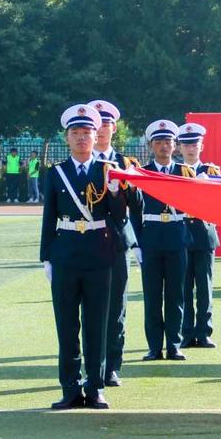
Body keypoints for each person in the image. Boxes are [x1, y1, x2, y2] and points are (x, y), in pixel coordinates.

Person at [40, 104, 126, 410]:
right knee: (66, 326)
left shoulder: (106, 170)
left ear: (95, 136)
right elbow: (49, 216)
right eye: (75, 133)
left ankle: (95, 387)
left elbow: (119, 217)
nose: (81, 138)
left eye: (86, 132)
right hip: (65, 254)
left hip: (98, 255)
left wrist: (115, 192)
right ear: (67, 138)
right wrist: (46, 257)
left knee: (96, 324)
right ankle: (70, 388)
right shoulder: (56, 173)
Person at [129, 120, 192, 361]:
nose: (164, 146)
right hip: (151, 238)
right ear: (151, 145)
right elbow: (135, 211)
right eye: (158, 142)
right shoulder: (142, 173)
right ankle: (154, 347)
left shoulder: (184, 172)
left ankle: (174, 345)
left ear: (175, 145)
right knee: (152, 296)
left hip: (177, 237)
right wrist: (137, 243)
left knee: (176, 295)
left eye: (168, 141)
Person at [87, 99, 138, 387]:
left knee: (116, 307)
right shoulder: (83, 163)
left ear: (114, 128)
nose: (102, 129)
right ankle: (93, 366)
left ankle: (112, 367)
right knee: (90, 308)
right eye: (97, 125)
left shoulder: (127, 164)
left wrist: (122, 188)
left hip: (117, 242)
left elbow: (139, 204)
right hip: (87, 242)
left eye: (106, 124)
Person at [178, 122, 221, 348]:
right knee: (184, 287)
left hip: (204, 233)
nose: (190, 149)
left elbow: (220, 202)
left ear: (201, 146)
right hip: (181, 233)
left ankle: (204, 332)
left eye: (194, 144)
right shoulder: (174, 171)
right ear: (179, 148)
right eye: (186, 145)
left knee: (204, 287)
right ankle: (186, 332)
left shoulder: (211, 172)